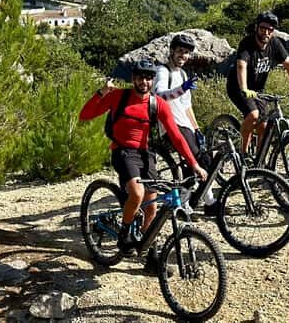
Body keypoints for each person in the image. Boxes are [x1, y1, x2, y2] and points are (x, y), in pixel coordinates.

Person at [79, 58, 208, 267]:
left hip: (146, 154)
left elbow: (176, 137)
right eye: (140, 77)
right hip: (122, 151)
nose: (144, 82)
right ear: (133, 78)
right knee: (137, 194)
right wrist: (102, 92)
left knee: (152, 208)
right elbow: (85, 115)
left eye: (149, 78)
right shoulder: (118, 97)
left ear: (152, 80)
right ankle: (125, 233)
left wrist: (194, 164)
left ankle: (150, 254)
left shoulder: (158, 104)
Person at [152, 33, 218, 216]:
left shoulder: (182, 74)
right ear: (172, 51)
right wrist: (182, 88)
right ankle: (188, 204)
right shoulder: (162, 71)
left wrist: (197, 129)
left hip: (185, 124)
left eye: (187, 53)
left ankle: (208, 201)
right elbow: (160, 96)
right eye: (180, 51)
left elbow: (187, 106)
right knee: (195, 161)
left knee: (204, 159)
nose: (183, 56)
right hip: (169, 125)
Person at [226, 11, 289, 158]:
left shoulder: (275, 43)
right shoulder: (247, 43)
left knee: (264, 126)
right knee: (253, 115)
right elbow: (241, 66)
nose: (266, 32)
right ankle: (242, 155)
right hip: (237, 86)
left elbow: (288, 64)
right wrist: (244, 88)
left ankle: (258, 160)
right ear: (256, 27)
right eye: (263, 28)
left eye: (270, 30)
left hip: (258, 89)